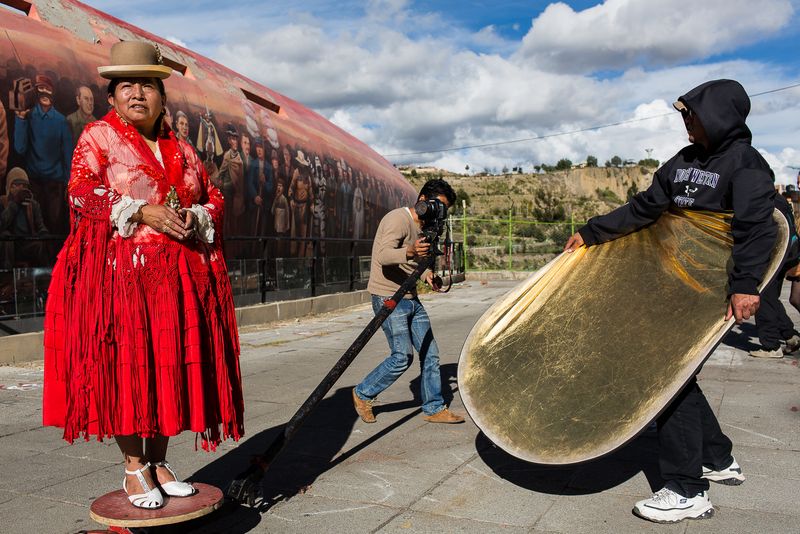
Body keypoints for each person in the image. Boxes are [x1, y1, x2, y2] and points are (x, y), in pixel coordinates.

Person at [42, 41, 244, 510]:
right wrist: (140, 210)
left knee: (167, 366)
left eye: (147, 85)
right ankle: (134, 465)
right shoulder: (98, 137)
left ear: (162, 96)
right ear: (112, 98)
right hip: (122, 281)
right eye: (126, 85)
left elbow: (214, 196)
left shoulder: (185, 149)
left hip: (179, 283)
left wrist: (197, 214)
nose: (137, 93)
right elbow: (80, 192)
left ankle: (159, 459)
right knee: (129, 370)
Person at [563, 79, 775, 524]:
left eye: (691, 115)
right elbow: (645, 209)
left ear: (717, 115)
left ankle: (686, 488)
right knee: (681, 377)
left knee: (668, 379)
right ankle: (718, 460)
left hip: (712, 292)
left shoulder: (748, 166)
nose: (686, 122)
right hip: (672, 290)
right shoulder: (684, 162)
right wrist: (592, 232)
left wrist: (747, 285)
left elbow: (756, 230)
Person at [352, 178, 465, 425]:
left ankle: (434, 407)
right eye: (439, 206)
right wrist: (411, 251)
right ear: (423, 200)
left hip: (410, 296)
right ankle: (363, 393)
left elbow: (410, 264)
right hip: (388, 297)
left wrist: (427, 275)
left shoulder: (424, 225)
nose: (440, 213)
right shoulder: (397, 219)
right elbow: (383, 256)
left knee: (430, 353)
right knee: (402, 356)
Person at [13, 73, 73, 235]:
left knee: (54, 223)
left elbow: (68, 155)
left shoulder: (61, 121)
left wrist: (69, 183)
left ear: (53, 92)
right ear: (35, 92)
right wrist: (20, 120)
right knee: (34, 225)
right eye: (41, 88)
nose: (45, 92)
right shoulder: (29, 116)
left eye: (48, 89)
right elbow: (20, 148)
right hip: (34, 182)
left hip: (55, 183)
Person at [749, 191, 800, 358]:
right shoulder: (777, 199)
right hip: (786, 254)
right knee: (770, 298)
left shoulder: (762, 199)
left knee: (762, 296)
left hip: (773, 255)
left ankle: (771, 345)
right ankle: (789, 335)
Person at [0, 167, 48, 268]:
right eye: (17, 185)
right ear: (9, 187)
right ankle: (7, 277)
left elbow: (40, 226)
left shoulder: (33, 205)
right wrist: (14, 204)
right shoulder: (3, 202)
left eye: (24, 185)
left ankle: (42, 277)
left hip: (27, 243)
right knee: (6, 237)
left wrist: (44, 235)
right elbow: (2, 224)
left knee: (40, 244)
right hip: (11, 246)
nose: (21, 188)